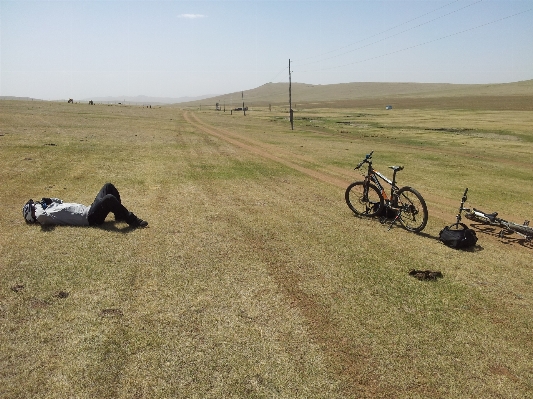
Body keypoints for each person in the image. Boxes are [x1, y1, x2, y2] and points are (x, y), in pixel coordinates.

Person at [22, 183, 148, 228]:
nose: (36, 204)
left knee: (108, 187)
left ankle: (119, 215)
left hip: (89, 209)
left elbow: (60, 202)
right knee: (109, 199)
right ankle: (133, 220)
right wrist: (38, 208)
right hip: (90, 218)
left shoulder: (48, 209)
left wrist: (49, 200)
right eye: (34, 205)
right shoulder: (43, 216)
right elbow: (42, 215)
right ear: (32, 212)